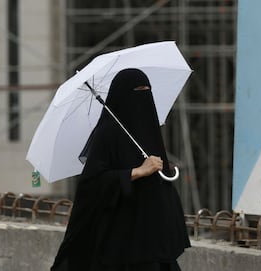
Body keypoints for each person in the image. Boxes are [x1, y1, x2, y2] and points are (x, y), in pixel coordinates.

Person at [51, 68, 190, 271]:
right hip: (119, 241)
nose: (144, 96)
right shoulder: (107, 133)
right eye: (138, 90)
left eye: (147, 90)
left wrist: (162, 169)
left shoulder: (147, 128)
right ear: (122, 96)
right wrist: (136, 172)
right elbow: (92, 183)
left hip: (151, 235)